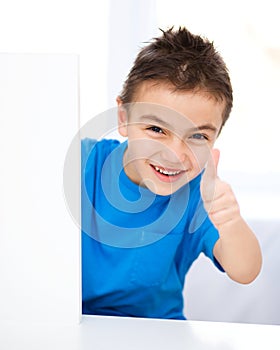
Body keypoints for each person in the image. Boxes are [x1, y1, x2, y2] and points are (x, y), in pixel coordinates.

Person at [81, 27, 262, 320]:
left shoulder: (198, 196)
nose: (175, 155)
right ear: (124, 118)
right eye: (156, 130)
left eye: (198, 137)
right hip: (72, 323)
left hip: (159, 333)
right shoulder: (84, 162)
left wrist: (230, 222)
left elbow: (245, 270)